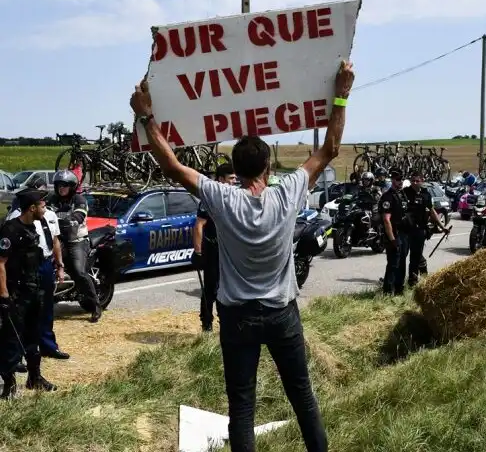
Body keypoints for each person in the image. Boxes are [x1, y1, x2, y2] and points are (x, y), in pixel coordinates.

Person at [130, 60, 355, 452]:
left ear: (234, 169)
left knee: (243, 409)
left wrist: (147, 115)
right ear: (268, 166)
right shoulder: (288, 193)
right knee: (304, 401)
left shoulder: (221, 198)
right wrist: (341, 93)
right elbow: (330, 149)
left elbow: (171, 165)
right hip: (282, 313)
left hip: (237, 318)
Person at [0, 189, 57, 399]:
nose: (45, 209)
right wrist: (4, 296)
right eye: (42, 205)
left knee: (33, 335)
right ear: (32, 208)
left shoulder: (33, 227)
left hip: (33, 291)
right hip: (15, 294)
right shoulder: (10, 230)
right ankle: (9, 385)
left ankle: (35, 378)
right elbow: (1, 264)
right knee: (11, 339)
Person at [7, 187, 70, 360]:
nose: (45, 204)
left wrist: (59, 265)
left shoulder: (49, 215)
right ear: (32, 205)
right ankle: (17, 354)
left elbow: (55, 241)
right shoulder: (15, 220)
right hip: (24, 268)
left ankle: (48, 346)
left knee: (46, 307)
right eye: (42, 201)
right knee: (21, 311)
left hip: (45, 264)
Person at [46, 170, 101, 323]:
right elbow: (44, 212)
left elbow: (79, 214)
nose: (61, 188)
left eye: (65, 185)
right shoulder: (52, 199)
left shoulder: (79, 199)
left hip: (77, 240)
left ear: (72, 186)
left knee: (79, 271)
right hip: (59, 239)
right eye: (59, 185)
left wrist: (72, 219)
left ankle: (96, 305)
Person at [192, 163, 237, 332]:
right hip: (212, 249)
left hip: (229, 249)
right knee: (212, 288)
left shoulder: (235, 195)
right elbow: (199, 226)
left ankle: (227, 323)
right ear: (220, 179)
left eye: (235, 178)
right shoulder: (210, 198)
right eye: (231, 178)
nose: (234, 181)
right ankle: (207, 324)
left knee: (228, 287)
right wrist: (198, 252)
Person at [403, 171, 449, 287]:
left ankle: (413, 282)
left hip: (419, 230)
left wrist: (442, 226)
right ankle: (398, 282)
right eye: (412, 180)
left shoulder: (426, 194)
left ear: (422, 181)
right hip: (405, 230)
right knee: (401, 256)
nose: (414, 183)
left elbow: (432, 211)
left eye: (417, 181)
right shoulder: (405, 193)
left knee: (416, 257)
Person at [378, 168, 410, 295]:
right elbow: (386, 220)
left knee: (402, 263)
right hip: (393, 234)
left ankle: (399, 290)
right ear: (392, 180)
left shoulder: (402, 194)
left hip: (403, 234)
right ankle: (387, 292)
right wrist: (392, 239)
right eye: (397, 179)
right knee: (393, 264)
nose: (400, 182)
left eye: (401, 179)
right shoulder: (388, 197)